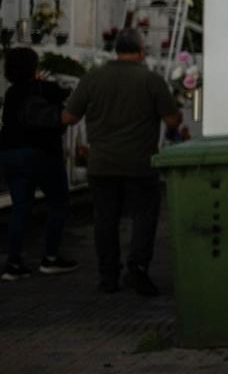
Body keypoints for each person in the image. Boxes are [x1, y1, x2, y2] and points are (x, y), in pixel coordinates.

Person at [62, 28, 182, 295]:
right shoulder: (151, 80)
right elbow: (172, 119)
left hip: (101, 164)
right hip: (140, 164)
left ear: (116, 50)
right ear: (141, 51)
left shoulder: (92, 78)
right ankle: (137, 269)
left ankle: (108, 276)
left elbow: (69, 117)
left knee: (105, 220)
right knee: (144, 218)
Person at [0, 47, 77, 280]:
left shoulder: (11, 93)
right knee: (59, 203)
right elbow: (71, 98)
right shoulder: (44, 88)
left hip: (10, 153)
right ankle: (50, 257)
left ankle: (13, 263)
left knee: (20, 207)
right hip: (41, 153)